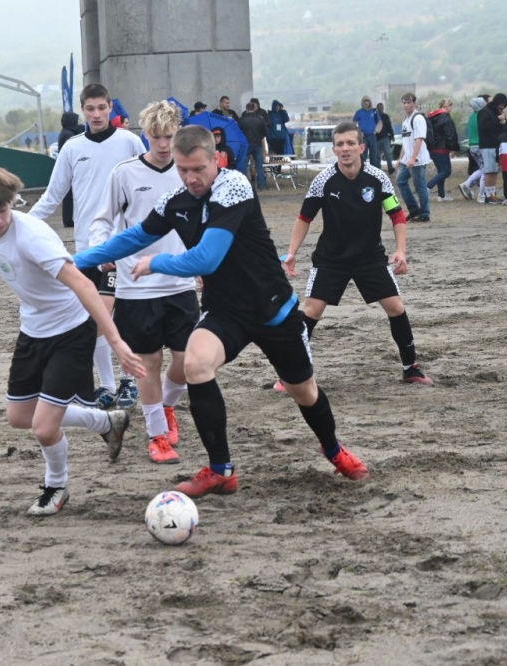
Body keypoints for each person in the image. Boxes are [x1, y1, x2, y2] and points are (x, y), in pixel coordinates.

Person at [74, 124, 370, 499]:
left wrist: (157, 263)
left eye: (198, 168)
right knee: (195, 364)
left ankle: (333, 449)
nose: (190, 178)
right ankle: (221, 471)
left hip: (272, 309)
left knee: (305, 392)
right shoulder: (176, 201)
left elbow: (207, 258)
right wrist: (76, 261)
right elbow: (134, 236)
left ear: (216, 159)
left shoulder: (233, 187)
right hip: (225, 311)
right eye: (183, 170)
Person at [0, 165, 144, 516]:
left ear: (12, 202)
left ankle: (56, 487)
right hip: (33, 329)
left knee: (44, 428)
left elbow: (83, 284)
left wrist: (116, 341)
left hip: (71, 331)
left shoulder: (33, 236)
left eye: (3, 210)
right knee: (19, 416)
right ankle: (107, 422)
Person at [279, 121, 433, 392]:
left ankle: (411, 368)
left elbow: (397, 215)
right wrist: (292, 253)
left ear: (361, 147)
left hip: (369, 257)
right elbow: (304, 218)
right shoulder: (323, 181)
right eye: (340, 144)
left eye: (350, 143)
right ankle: (290, 376)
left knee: (396, 308)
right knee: (311, 311)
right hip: (331, 258)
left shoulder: (377, 178)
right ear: (334, 149)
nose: (345, 148)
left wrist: (400, 250)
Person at [88, 100, 198, 464]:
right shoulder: (125, 173)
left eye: (169, 136)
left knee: (187, 360)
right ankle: (157, 436)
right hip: (136, 285)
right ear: (144, 135)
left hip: (180, 280)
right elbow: (102, 219)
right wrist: (102, 251)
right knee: (148, 362)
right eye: (156, 136)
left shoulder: (188, 172)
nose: (163, 144)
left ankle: (166, 406)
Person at [29, 83, 146, 408]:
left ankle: (128, 381)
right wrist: (21, 225)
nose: (96, 114)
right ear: (83, 111)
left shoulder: (129, 142)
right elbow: (52, 196)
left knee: (123, 317)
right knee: (92, 319)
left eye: (101, 108)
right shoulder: (72, 148)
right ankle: (107, 385)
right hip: (86, 250)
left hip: (125, 246)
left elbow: (146, 184)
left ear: (110, 108)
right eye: (90, 109)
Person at [396, 93, 431, 222]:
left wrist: (413, 158)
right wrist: (401, 158)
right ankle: (414, 209)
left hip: (417, 159)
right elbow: (405, 141)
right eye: (404, 103)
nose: (406, 105)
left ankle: (424, 213)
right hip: (407, 159)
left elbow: (419, 139)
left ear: (414, 103)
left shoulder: (418, 118)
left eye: (409, 102)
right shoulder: (405, 120)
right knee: (400, 181)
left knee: (420, 186)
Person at [478, 93, 507, 205]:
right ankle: (488, 196)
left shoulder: (496, 113)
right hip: (487, 145)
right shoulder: (484, 112)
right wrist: (497, 119)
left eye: (504, 105)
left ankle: (492, 194)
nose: (502, 107)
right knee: (489, 171)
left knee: (494, 171)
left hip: (496, 146)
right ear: (497, 103)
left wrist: (503, 123)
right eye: (501, 105)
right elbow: (484, 127)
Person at [426, 99, 460, 202]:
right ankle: (428, 186)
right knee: (446, 171)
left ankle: (441, 196)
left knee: (441, 171)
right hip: (442, 148)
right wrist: (453, 148)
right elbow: (450, 134)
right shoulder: (446, 118)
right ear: (447, 106)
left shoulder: (431, 117)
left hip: (432, 148)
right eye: (451, 106)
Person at [55, 111, 85, 228]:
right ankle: (68, 220)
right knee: (69, 196)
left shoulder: (66, 132)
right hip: (71, 167)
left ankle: (68, 219)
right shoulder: (69, 135)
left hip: (69, 167)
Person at [457, 96, 488, 202]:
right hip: (480, 145)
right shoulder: (482, 116)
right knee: (486, 170)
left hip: (472, 146)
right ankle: (481, 195)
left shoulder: (471, 117)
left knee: (482, 169)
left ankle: (467, 185)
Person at [238, 101, 268, 191]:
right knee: (259, 167)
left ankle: (244, 186)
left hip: (246, 146)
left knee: (243, 166)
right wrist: (259, 138)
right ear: (254, 108)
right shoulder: (260, 119)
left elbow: (238, 133)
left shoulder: (242, 120)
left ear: (246, 109)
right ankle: (262, 186)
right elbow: (265, 132)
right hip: (258, 145)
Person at [352, 96, 382, 169]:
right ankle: (362, 170)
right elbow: (353, 124)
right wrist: (359, 132)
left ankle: (373, 171)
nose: (366, 102)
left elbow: (380, 122)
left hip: (372, 136)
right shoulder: (359, 112)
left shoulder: (374, 111)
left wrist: (376, 131)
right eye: (365, 101)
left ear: (369, 102)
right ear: (362, 102)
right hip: (363, 137)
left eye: (367, 101)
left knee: (374, 156)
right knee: (362, 156)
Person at [375, 102, 395, 174]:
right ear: (377, 108)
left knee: (388, 153)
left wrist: (392, 135)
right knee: (377, 155)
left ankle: (390, 167)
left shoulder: (386, 116)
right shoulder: (374, 117)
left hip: (385, 137)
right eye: (379, 107)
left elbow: (389, 126)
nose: (381, 108)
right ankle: (378, 169)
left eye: (382, 107)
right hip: (376, 138)